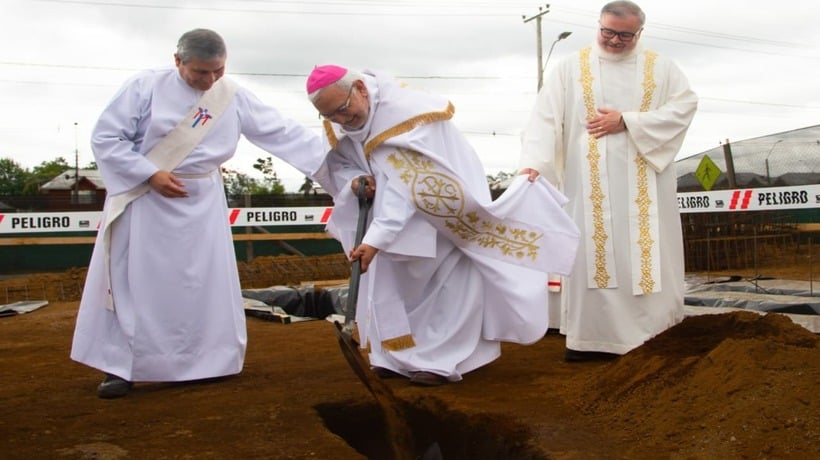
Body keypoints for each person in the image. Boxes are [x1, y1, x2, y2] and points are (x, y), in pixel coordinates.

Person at [71, 29, 327, 398]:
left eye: (217, 71)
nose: (209, 80)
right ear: (178, 61)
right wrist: (150, 173)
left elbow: (283, 133)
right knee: (136, 283)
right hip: (147, 199)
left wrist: (340, 163)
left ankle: (207, 362)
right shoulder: (144, 86)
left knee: (200, 285)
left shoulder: (230, 95)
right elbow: (107, 139)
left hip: (202, 199)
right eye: (200, 73)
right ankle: (123, 368)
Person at [306, 65, 579, 386]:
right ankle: (393, 357)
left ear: (361, 90)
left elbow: (407, 189)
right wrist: (355, 180)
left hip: (441, 218)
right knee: (390, 287)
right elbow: (340, 167)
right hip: (384, 218)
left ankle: (439, 360)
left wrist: (376, 240)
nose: (340, 121)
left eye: (342, 111)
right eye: (330, 117)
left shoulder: (407, 118)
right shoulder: (344, 121)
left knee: (446, 292)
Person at [519, 1, 698, 361]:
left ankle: (653, 337)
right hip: (587, 186)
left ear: (640, 33)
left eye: (624, 35)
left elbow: (684, 106)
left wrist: (628, 121)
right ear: (598, 26)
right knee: (592, 254)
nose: (615, 40)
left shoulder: (661, 68)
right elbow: (545, 118)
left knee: (646, 256)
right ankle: (592, 340)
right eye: (608, 32)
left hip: (647, 181)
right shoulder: (571, 67)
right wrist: (534, 163)